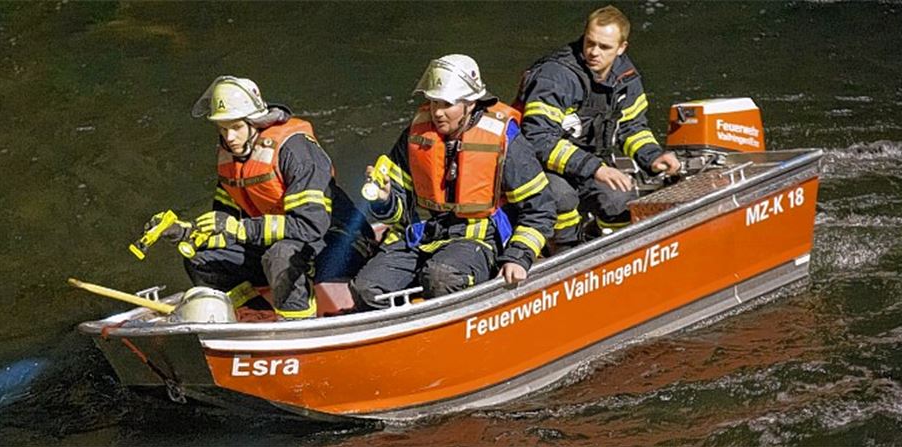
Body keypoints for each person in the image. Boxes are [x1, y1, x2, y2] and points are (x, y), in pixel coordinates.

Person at [158, 75, 372, 320]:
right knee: (200, 258)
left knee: (281, 256)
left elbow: (310, 226)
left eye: (236, 127)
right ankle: (254, 314)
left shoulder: (295, 151)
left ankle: (297, 325)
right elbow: (225, 221)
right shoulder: (232, 158)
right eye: (222, 129)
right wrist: (187, 232)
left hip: (340, 241)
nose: (229, 137)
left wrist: (241, 229)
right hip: (277, 240)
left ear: (256, 122)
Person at [351, 55, 556, 310]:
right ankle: (403, 331)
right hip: (422, 235)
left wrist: (518, 256)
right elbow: (398, 210)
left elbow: (541, 209)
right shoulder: (416, 135)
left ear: (470, 103)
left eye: (447, 104)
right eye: (433, 101)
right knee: (366, 289)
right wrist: (385, 200)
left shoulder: (504, 139)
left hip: (477, 240)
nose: (437, 112)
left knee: (441, 277)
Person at [514, 5, 681, 251]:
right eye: (589, 43)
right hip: (543, 167)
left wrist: (653, 157)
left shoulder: (626, 78)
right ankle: (564, 252)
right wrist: (596, 169)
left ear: (621, 48)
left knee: (619, 199)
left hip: (589, 164)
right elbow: (538, 139)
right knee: (562, 198)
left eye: (604, 47)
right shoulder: (556, 76)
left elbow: (632, 127)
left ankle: (616, 252)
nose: (594, 52)